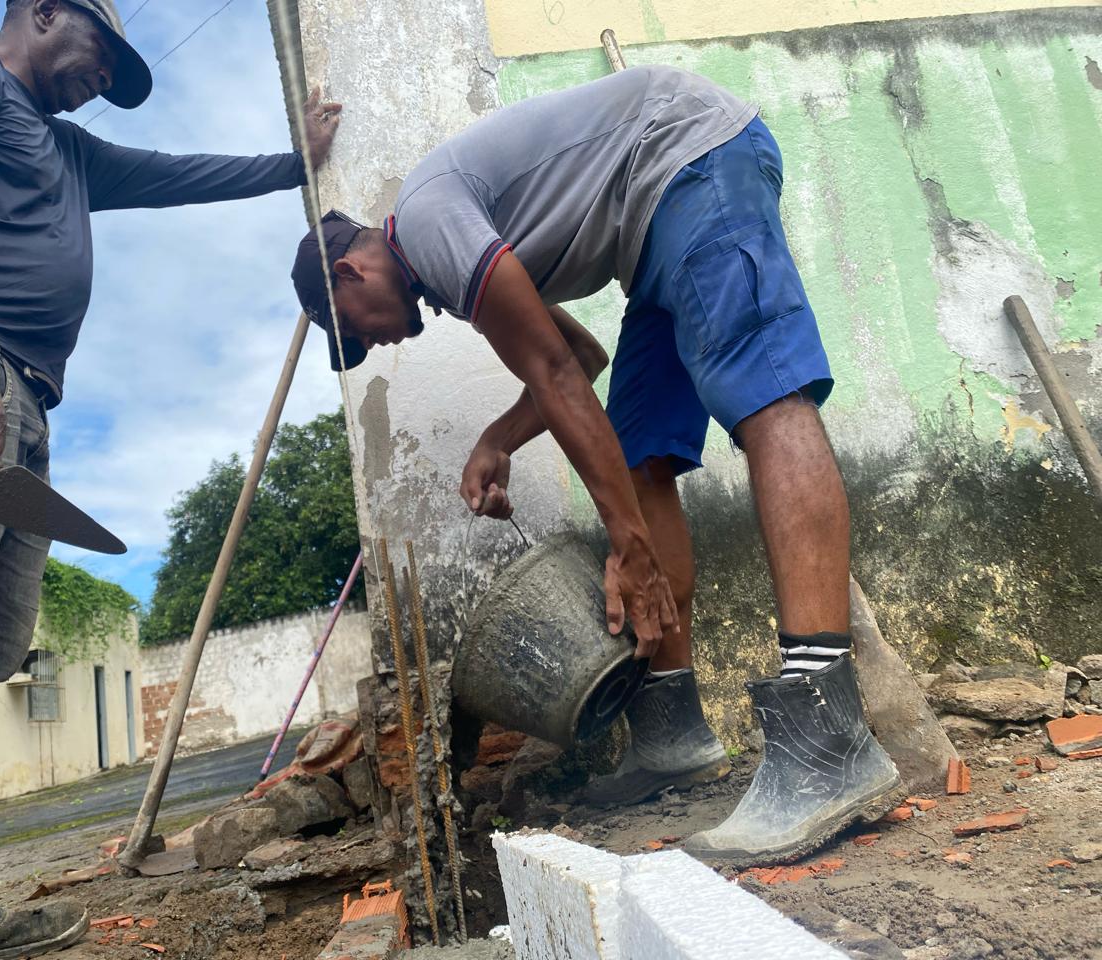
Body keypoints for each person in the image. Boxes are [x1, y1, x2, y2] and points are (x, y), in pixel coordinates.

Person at [0, 2, 341, 957]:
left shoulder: (68, 154)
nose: (105, 82)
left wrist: (293, 161)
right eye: (104, 56)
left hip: (15, 394)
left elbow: (183, 176)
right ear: (46, 12)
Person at [291, 64, 900, 867]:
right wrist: (501, 439)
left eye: (358, 334)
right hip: (650, 235)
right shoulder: (443, 255)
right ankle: (672, 732)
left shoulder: (429, 222)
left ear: (350, 273)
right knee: (641, 454)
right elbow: (579, 351)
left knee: (766, 397)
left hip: (693, 160)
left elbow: (555, 371)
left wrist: (630, 549)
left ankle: (828, 740)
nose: (378, 346)